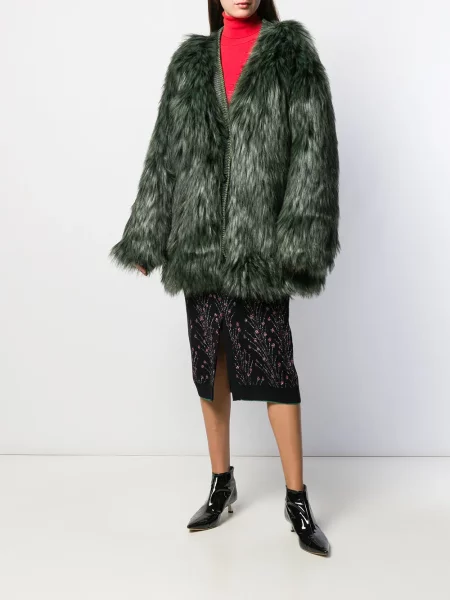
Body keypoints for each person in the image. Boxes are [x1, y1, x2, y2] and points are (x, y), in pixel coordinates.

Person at [110, 0, 339, 557]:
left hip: (261, 248)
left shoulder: (290, 53)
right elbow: (164, 154)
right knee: (209, 364)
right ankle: (221, 483)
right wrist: (147, 235)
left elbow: (314, 150)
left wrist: (300, 238)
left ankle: (297, 499)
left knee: (276, 371)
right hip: (199, 242)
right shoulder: (190, 62)